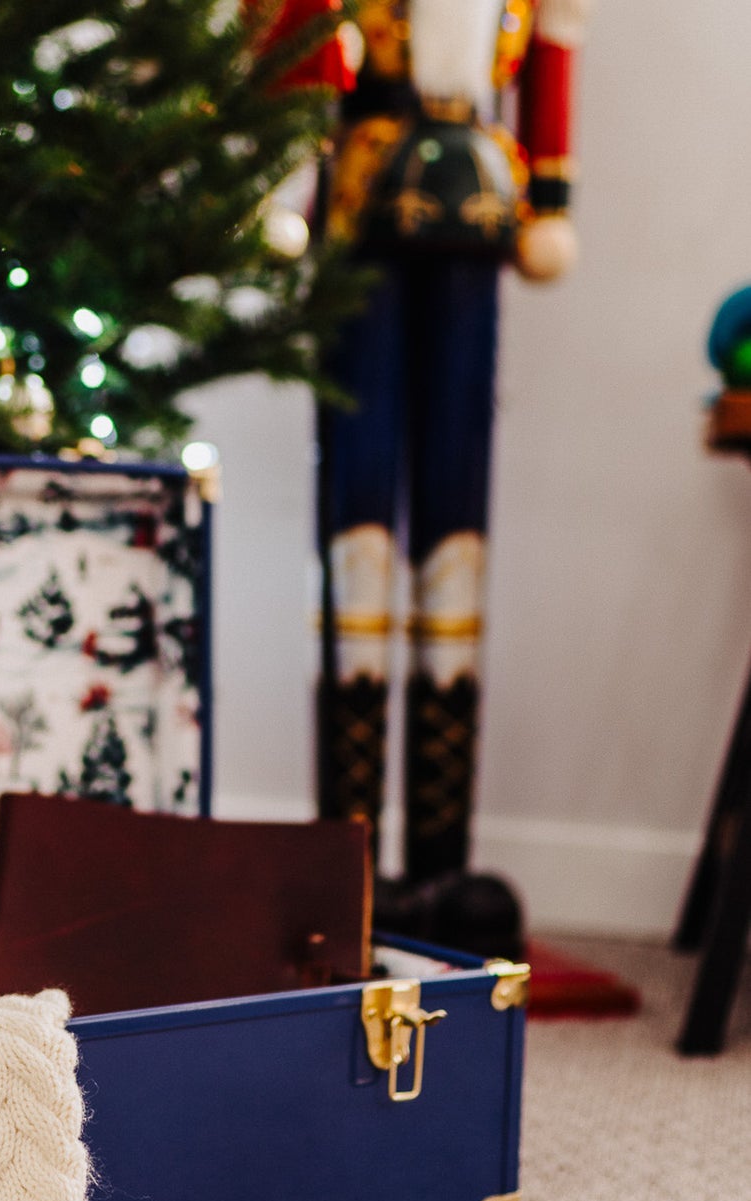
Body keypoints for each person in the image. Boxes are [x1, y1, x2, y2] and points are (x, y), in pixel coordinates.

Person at [251, 0, 591, 951]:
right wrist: (288, 189)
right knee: (356, 516)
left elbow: (550, 62)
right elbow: (298, 45)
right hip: (362, 206)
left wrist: (554, 198)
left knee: (456, 525)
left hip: (478, 214)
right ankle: (347, 865)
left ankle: (445, 864)